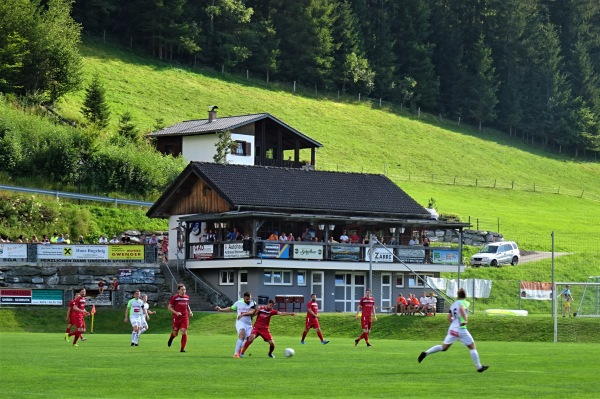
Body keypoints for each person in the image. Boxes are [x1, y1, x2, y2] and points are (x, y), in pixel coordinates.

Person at [418, 288, 489, 373]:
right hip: (461, 329)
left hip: (452, 329)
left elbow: (448, 317)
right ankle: (479, 367)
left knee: (444, 347)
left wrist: (454, 325)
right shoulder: (465, 302)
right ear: (465, 295)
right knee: (472, 347)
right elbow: (462, 309)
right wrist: (465, 320)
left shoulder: (453, 304)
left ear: (458, 295)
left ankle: (426, 353)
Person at [215, 291, 257, 358]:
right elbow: (231, 309)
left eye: (249, 299)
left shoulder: (253, 303)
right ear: (244, 298)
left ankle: (240, 350)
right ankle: (236, 354)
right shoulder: (238, 303)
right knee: (242, 335)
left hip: (248, 324)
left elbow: (251, 312)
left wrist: (243, 314)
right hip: (240, 322)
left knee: (250, 339)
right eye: (247, 299)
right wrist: (221, 310)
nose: (249, 300)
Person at [167, 284, 193, 352]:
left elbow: (187, 305)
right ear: (178, 290)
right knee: (175, 333)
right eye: (182, 290)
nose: (184, 291)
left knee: (184, 331)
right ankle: (171, 338)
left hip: (185, 317)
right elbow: (169, 307)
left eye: (185, 289)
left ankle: (182, 349)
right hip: (177, 318)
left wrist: (190, 311)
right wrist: (176, 313)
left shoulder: (187, 297)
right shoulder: (175, 297)